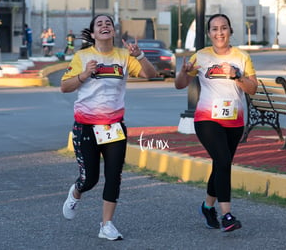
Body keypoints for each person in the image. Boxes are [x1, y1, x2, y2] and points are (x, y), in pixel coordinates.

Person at [60, 14, 157, 241]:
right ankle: (76, 193)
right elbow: (65, 87)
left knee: (114, 176)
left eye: (109, 24)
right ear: (93, 34)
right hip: (86, 127)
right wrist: (84, 74)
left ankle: (106, 225)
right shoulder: (82, 56)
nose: (105, 26)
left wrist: (140, 55)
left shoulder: (123, 57)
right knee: (90, 179)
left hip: (113, 127)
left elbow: (150, 74)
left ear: (113, 32)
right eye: (99, 24)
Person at [174, 13, 258, 232]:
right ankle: (227, 215)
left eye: (223, 28)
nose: (219, 32)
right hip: (207, 119)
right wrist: (183, 73)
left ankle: (207, 207)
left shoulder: (242, 57)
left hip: (235, 121)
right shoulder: (201, 57)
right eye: (214, 29)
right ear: (209, 33)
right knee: (222, 160)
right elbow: (180, 84)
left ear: (230, 30)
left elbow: (253, 89)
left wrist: (237, 76)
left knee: (221, 164)